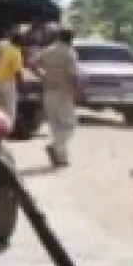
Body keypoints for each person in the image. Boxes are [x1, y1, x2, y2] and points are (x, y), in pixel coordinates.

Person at [35, 27, 79, 167]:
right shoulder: (69, 53)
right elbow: (72, 75)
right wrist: (74, 91)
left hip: (48, 91)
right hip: (63, 92)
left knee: (55, 126)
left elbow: (33, 64)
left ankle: (61, 158)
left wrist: (43, 76)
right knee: (69, 125)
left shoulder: (47, 50)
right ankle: (56, 146)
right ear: (71, 38)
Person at [0, 28, 25, 122]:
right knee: (10, 106)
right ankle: (8, 126)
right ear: (19, 41)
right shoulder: (16, 52)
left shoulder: (1, 48)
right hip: (7, 82)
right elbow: (17, 72)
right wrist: (21, 84)